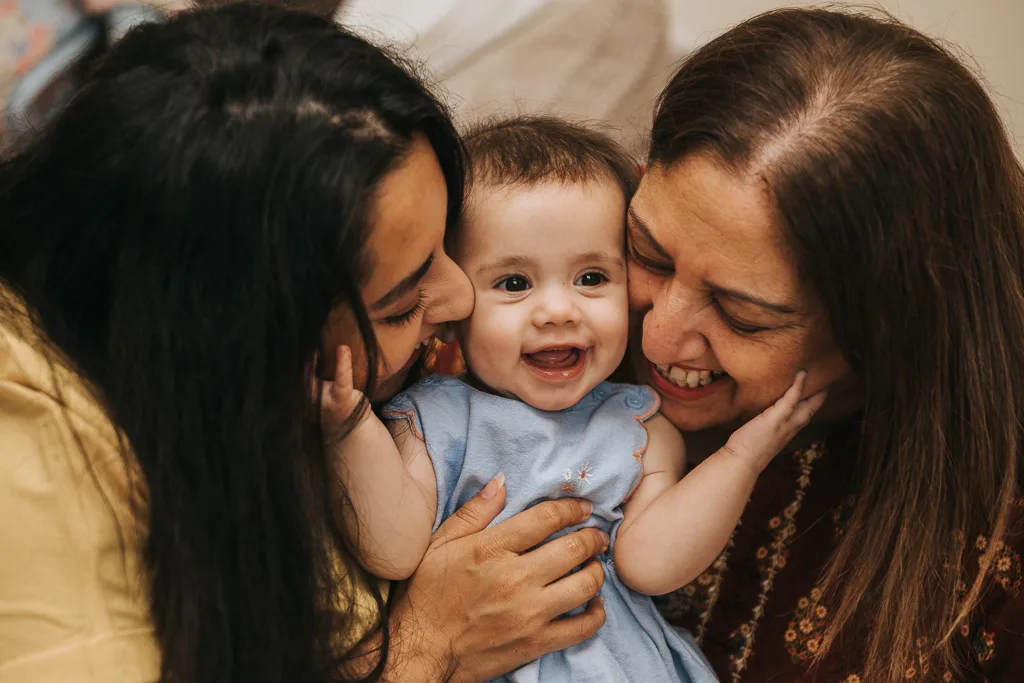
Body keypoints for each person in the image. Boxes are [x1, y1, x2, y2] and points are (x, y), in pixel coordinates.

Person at [0, 5, 610, 683]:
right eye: (403, 301)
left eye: (447, 246)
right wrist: (423, 644)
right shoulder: (28, 443)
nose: (461, 300)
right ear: (247, 338)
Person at [330, 116, 827, 681]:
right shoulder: (435, 418)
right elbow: (393, 546)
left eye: (591, 277)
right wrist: (350, 427)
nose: (560, 310)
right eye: (514, 284)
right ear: (451, 310)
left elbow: (650, 564)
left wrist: (742, 457)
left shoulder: (640, 426)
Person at [625, 7, 1024, 683]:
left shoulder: (994, 547)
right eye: (648, 253)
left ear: (887, 329)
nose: (657, 333)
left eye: (743, 314)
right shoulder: (529, 319)